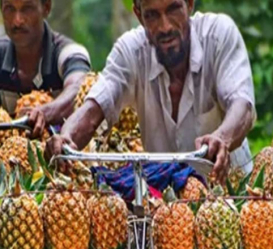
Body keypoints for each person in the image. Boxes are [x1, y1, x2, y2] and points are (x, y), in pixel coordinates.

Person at [46, 0, 256, 183]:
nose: (165, 27)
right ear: (139, 14)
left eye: (173, 9)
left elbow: (241, 104)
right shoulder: (130, 52)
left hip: (230, 195)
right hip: (168, 207)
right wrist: (66, 137)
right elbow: (93, 110)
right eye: (152, 15)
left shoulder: (219, 36)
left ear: (189, 4)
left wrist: (223, 138)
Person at [0, 0, 92, 140]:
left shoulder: (69, 53)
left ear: (46, 8)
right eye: (9, 9)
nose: (17, 21)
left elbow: (79, 90)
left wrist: (45, 113)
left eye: (27, 9)